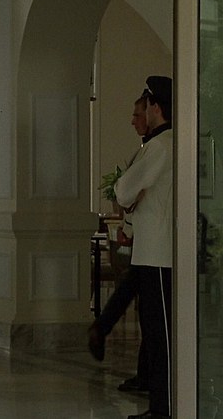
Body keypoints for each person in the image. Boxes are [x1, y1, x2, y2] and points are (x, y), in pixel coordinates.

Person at [115, 76, 173, 419]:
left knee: (159, 334)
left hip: (157, 254)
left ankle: (163, 409)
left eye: (146, 106)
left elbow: (123, 191)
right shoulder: (169, 144)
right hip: (156, 253)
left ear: (155, 107)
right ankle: (161, 405)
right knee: (156, 332)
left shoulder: (159, 146)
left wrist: (129, 197)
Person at [88, 95, 151, 394]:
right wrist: (128, 227)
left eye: (138, 114)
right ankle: (145, 376)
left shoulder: (154, 149)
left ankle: (102, 327)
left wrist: (128, 226)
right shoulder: (147, 151)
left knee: (143, 304)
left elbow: (131, 196)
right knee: (150, 312)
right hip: (150, 244)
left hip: (153, 243)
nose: (132, 120)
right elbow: (131, 197)